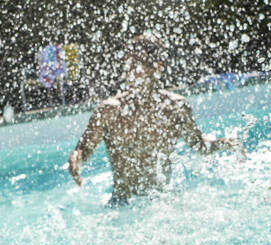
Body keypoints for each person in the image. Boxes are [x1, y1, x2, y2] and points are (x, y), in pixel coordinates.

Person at [68, 34, 237, 204]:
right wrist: (76, 159)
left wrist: (224, 143)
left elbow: (198, 145)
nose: (129, 71)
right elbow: (85, 148)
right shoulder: (109, 111)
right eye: (127, 64)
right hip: (123, 202)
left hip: (163, 202)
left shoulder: (176, 107)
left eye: (136, 65)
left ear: (157, 68)